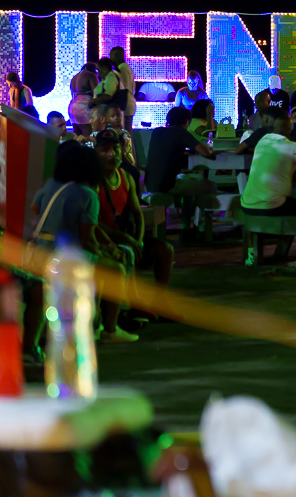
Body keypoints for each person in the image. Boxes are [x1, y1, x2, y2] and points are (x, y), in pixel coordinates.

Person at [30, 142, 132, 343]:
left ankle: (94, 323)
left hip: (41, 252)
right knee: (116, 269)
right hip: (65, 259)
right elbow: (87, 242)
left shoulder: (52, 184)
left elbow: (35, 208)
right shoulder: (88, 195)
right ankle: (110, 329)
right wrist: (108, 251)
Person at [94, 130, 174, 298]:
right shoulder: (93, 181)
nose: (111, 154)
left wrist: (138, 239)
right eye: (105, 149)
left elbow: (138, 215)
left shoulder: (125, 177)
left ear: (122, 149)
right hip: (102, 239)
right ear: (96, 152)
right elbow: (92, 223)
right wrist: (129, 240)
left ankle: (160, 302)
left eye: (115, 148)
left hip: (125, 235)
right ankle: (132, 304)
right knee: (127, 251)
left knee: (165, 250)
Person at [144, 106, 217, 233]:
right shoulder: (182, 133)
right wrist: (211, 148)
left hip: (150, 183)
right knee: (211, 187)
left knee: (188, 182)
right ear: (187, 122)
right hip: (167, 185)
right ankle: (203, 228)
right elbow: (206, 152)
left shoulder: (157, 132)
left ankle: (186, 225)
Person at [241, 111, 296, 216]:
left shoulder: (262, 141)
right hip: (271, 207)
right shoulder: (293, 147)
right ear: (291, 132)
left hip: (247, 205)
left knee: (293, 197)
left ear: (273, 129)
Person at [109, 46, 137, 129]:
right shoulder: (126, 67)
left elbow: (124, 88)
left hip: (125, 103)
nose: (110, 59)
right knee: (127, 133)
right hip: (129, 102)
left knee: (126, 133)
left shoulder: (121, 69)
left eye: (111, 56)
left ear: (116, 56)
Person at [69, 62, 99, 133]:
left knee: (78, 136)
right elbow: (96, 95)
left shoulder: (74, 77)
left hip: (72, 107)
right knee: (89, 136)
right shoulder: (91, 75)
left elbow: (72, 94)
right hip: (84, 107)